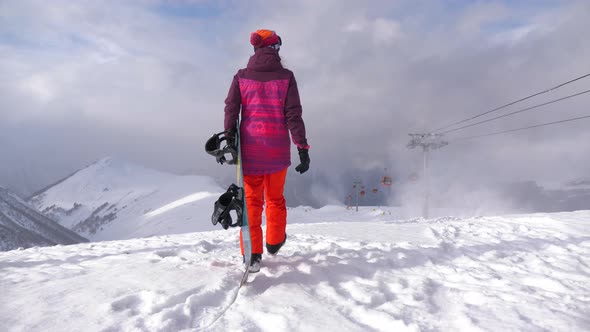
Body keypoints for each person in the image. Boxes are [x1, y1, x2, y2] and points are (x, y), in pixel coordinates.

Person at [223, 29, 310, 273]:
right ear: (275, 49)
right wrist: (302, 147)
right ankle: (274, 241)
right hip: (277, 152)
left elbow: (231, 109)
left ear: (255, 50)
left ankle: (253, 253)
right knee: (275, 199)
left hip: (250, 153)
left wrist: (230, 137)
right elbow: (294, 115)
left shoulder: (241, 76)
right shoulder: (287, 77)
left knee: (251, 201)